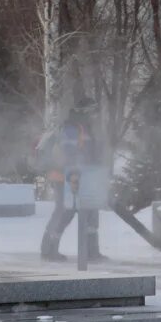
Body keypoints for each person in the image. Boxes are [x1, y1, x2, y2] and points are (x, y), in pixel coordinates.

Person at [35, 101, 103, 263]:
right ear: (82, 113)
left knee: (91, 212)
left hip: (81, 177)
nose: (94, 116)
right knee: (63, 212)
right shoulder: (71, 129)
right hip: (65, 177)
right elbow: (69, 154)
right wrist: (74, 174)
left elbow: (88, 154)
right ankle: (48, 249)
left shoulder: (83, 129)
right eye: (90, 112)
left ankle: (91, 251)